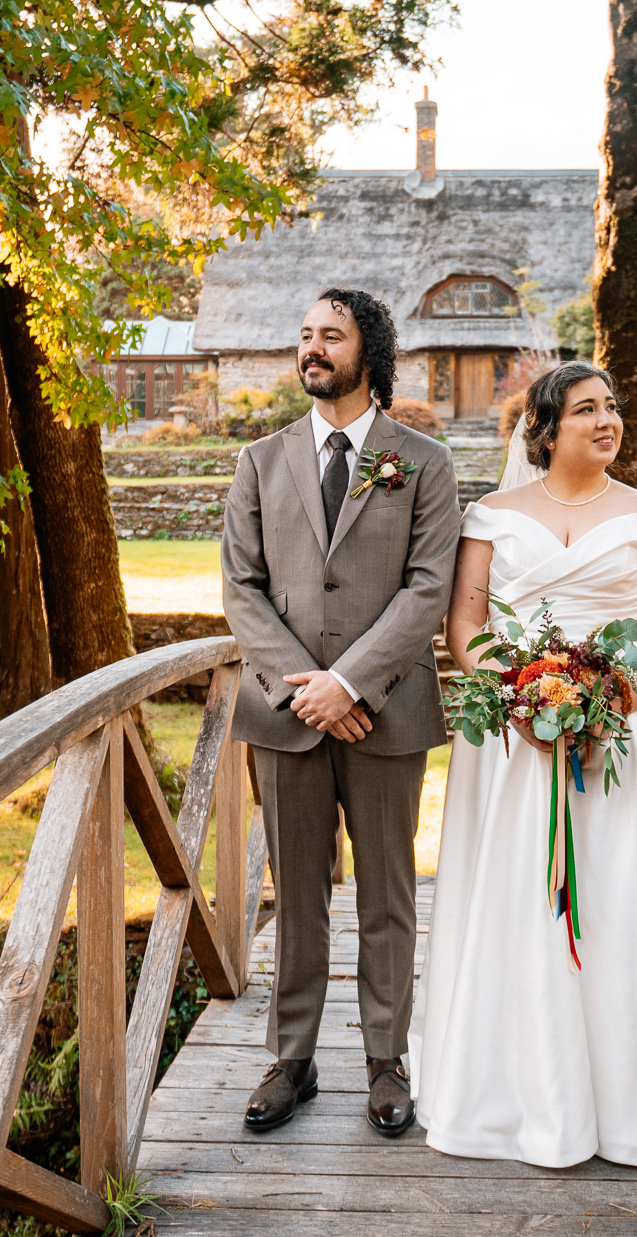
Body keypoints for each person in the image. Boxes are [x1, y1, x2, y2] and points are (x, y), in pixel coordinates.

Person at [412, 360, 637, 1169]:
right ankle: (512, 1096)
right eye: (586, 410)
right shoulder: (490, 516)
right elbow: (464, 627)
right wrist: (523, 699)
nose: (607, 421)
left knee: (624, 893)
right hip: (513, 740)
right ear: (544, 429)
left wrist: (607, 704)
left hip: (627, 735)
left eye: (612, 407)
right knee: (515, 894)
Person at [220, 288, 459, 1139]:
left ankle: (387, 1062)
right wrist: (306, 688)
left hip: (386, 716)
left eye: (332, 335)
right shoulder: (259, 460)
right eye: (305, 335)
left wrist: (350, 684)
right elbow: (242, 591)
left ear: (371, 350)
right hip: (284, 717)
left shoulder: (421, 461)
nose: (313, 348)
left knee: (389, 891)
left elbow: (430, 587)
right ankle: (294, 1060)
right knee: (298, 893)